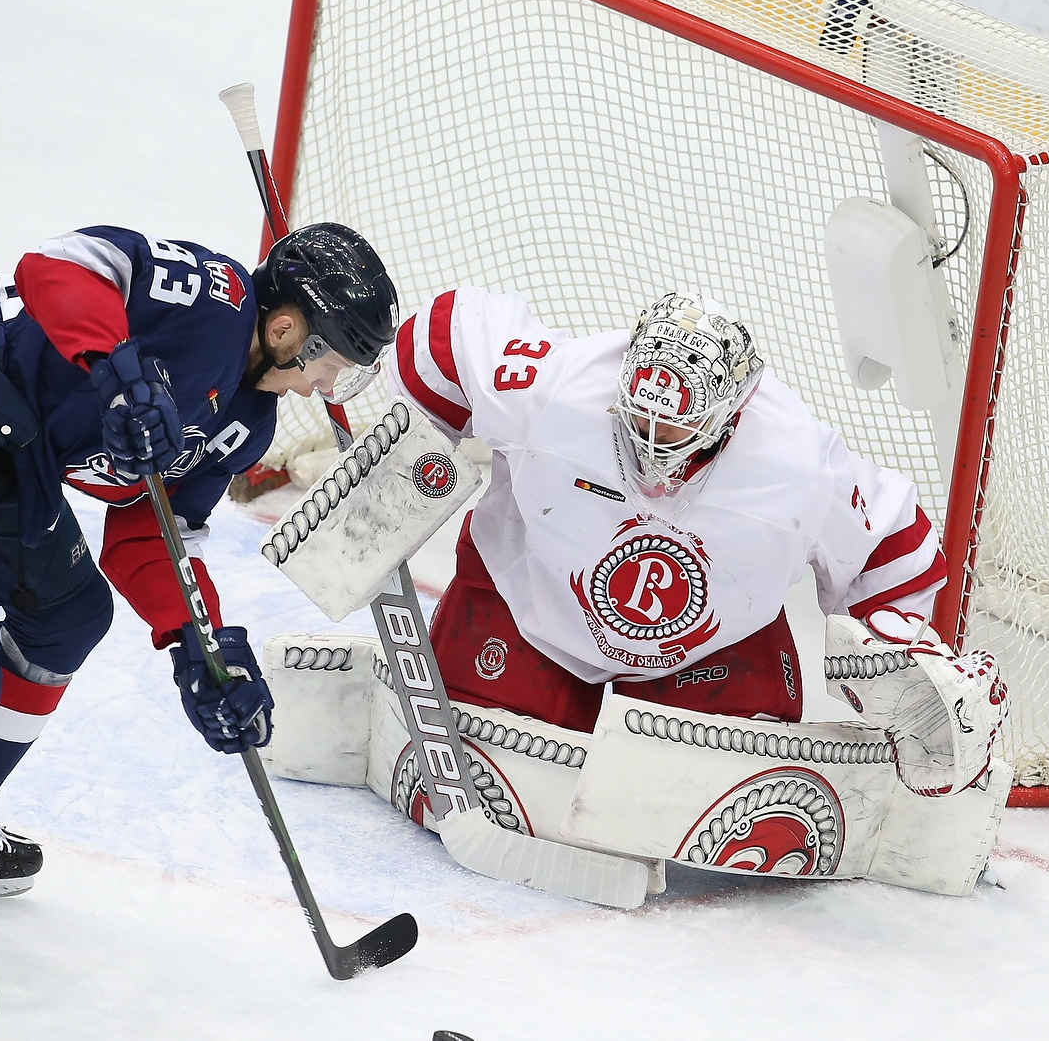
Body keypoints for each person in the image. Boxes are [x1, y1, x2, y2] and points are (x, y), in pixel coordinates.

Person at [0, 223, 398, 1036]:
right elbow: (60, 265)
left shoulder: (246, 426)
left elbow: (151, 532)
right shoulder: (213, 296)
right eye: (335, 362)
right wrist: (115, 366)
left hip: (9, 449)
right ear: (289, 326)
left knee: (69, 615)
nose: (328, 387)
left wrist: (202, 641)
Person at [389, 287, 992, 782]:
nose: (651, 439)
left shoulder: (794, 461)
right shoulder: (558, 387)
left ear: (729, 417)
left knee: (739, 782)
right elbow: (445, 337)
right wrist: (398, 466)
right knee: (485, 764)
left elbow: (893, 542)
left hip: (706, 660)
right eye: (639, 415)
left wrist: (897, 655)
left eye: (673, 428)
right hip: (527, 614)